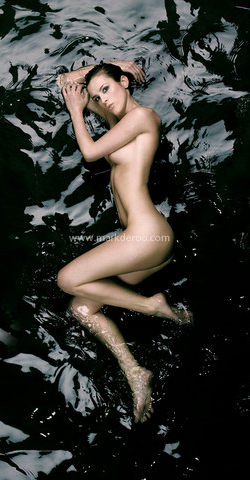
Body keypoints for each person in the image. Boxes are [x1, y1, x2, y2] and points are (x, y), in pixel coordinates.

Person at [56, 60, 191, 423]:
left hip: (147, 235)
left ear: (125, 83)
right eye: (97, 96)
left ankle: (152, 306)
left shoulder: (143, 117)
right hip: (140, 243)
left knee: (67, 279)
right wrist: (110, 66)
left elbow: (89, 152)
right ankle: (135, 372)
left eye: (108, 89)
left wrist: (77, 110)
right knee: (81, 308)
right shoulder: (117, 121)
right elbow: (65, 81)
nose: (102, 99)